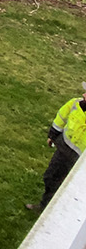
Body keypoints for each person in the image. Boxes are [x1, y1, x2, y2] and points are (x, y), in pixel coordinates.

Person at [32, 82, 86, 212]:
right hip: (63, 149)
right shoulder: (75, 103)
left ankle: (62, 212)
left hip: (80, 160)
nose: (83, 94)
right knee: (50, 177)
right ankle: (45, 206)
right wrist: (52, 135)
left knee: (72, 189)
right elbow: (60, 118)